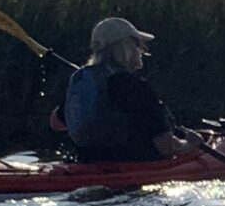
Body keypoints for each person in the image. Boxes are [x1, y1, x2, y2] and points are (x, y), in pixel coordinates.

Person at [61, 16, 190, 162]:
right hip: (131, 163)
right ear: (125, 48)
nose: (141, 50)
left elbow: (56, 122)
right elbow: (166, 147)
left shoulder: (84, 82)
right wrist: (191, 145)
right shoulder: (134, 86)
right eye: (138, 45)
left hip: (86, 160)